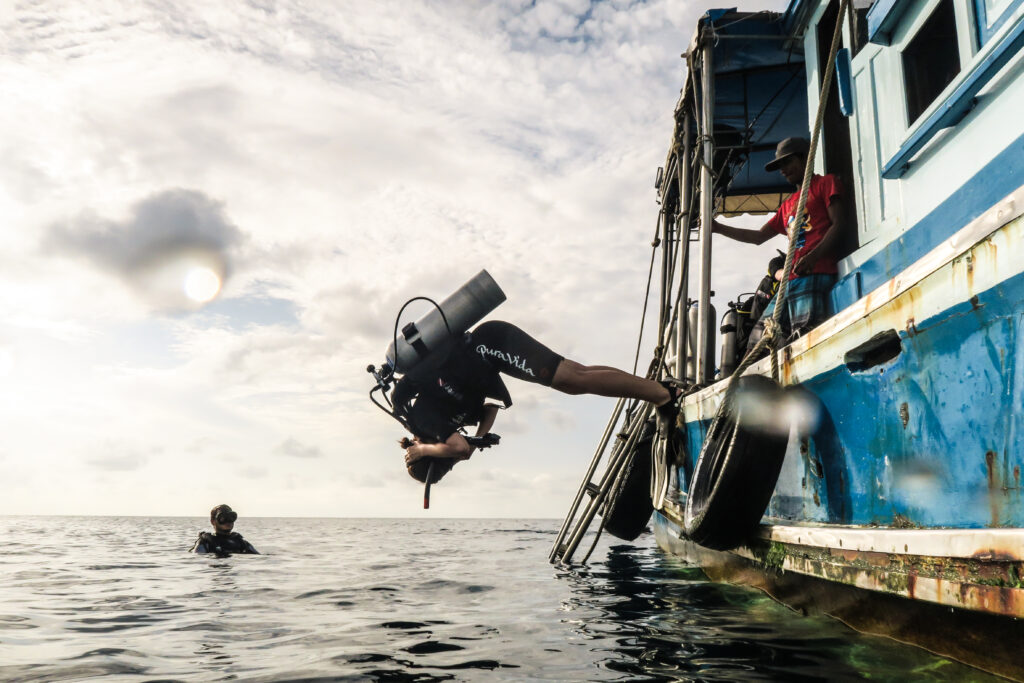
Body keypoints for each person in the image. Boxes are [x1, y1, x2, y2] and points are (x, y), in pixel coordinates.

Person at [393, 320, 680, 480]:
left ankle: (662, 395)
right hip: (490, 350)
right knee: (575, 376)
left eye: (446, 462)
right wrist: (480, 437)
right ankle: (656, 390)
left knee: (572, 379)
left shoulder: (423, 421)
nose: (453, 459)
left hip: (489, 345)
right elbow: (488, 411)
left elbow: (460, 450)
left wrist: (428, 451)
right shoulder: (443, 420)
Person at [711, 137, 845, 350]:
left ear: (804, 158)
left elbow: (839, 225)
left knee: (804, 339)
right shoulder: (787, 205)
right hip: (788, 284)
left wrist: (813, 257)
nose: (783, 170)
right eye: (779, 166)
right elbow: (758, 237)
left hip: (814, 275)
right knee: (757, 344)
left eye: (787, 162)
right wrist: (718, 228)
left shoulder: (825, 183)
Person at [190, 504, 259, 555]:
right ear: (213, 521)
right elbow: (196, 559)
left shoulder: (240, 542)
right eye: (222, 518)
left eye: (231, 518)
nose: (228, 522)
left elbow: (258, 557)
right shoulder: (205, 542)